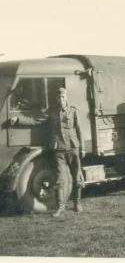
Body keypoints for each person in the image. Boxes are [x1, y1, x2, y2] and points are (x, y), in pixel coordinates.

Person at [9, 87, 86, 217]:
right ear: (56, 99)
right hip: (58, 149)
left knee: (77, 176)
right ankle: (60, 207)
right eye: (58, 97)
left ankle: (77, 203)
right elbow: (35, 120)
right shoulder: (51, 111)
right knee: (59, 178)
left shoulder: (73, 111)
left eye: (63, 97)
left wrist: (82, 148)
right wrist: (18, 119)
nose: (61, 100)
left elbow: (79, 130)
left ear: (66, 97)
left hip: (73, 148)